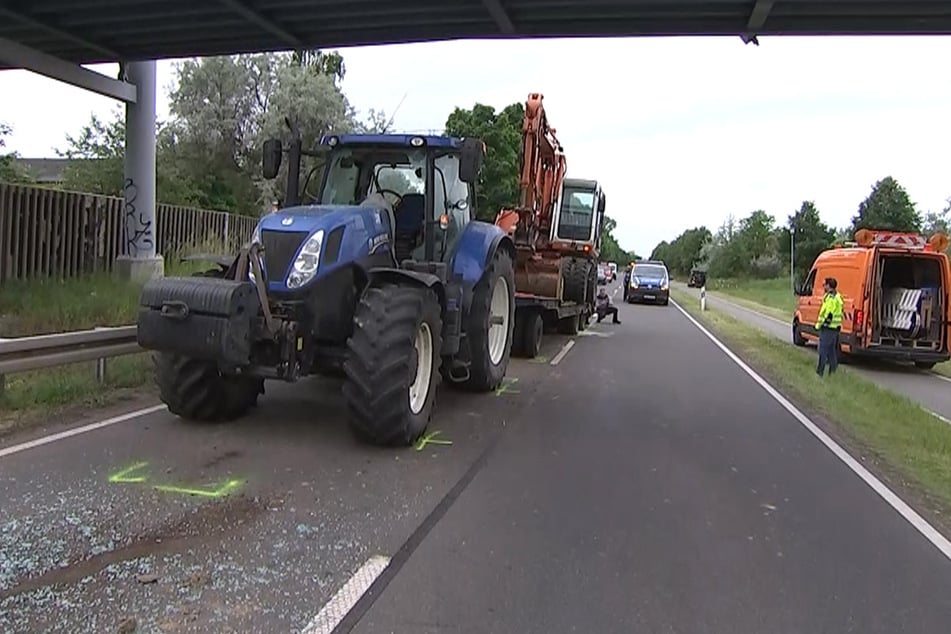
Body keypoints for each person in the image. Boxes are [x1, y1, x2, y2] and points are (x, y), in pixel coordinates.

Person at [815, 276, 844, 377]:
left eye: (824, 285)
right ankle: (833, 373)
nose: (823, 286)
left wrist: (821, 324)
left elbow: (828, 313)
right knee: (831, 352)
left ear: (829, 286)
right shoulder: (837, 296)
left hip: (828, 328)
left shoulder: (831, 298)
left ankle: (820, 373)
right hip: (834, 328)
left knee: (823, 351)